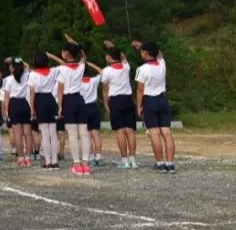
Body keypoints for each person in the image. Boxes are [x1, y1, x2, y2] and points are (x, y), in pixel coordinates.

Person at [48, 35, 92, 175]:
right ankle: (86, 164)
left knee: (73, 135)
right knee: (84, 134)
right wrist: (73, 41)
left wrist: (60, 107)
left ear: (66, 54)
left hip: (68, 101)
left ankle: (77, 165)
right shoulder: (81, 66)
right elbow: (83, 55)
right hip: (80, 100)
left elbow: (60, 90)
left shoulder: (62, 70)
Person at [133, 40, 176, 173]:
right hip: (162, 100)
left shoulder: (142, 69)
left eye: (142, 52)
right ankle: (170, 164)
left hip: (150, 101)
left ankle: (160, 163)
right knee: (167, 133)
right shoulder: (162, 64)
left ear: (146, 54)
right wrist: (143, 45)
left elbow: (140, 89)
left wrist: (139, 106)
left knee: (154, 133)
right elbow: (160, 54)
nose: (141, 53)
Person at [100, 40, 137, 169]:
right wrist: (114, 47)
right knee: (130, 131)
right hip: (128, 99)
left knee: (120, 131)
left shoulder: (106, 71)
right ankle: (133, 160)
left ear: (109, 58)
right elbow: (124, 57)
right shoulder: (126, 67)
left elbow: (105, 90)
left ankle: (124, 160)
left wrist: (106, 105)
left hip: (115, 101)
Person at [28, 51, 60, 169]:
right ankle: (55, 161)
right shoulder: (53, 71)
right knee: (53, 132)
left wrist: (32, 108)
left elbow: (32, 93)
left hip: (40, 100)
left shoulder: (33, 74)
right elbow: (63, 63)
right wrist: (51, 56)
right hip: (51, 99)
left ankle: (47, 161)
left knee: (45, 133)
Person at [1, 57, 33, 168]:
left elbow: (6, 97)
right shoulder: (27, 75)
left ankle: (20, 158)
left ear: (12, 67)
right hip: (24, 104)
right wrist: (17, 60)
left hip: (13, 105)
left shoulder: (9, 79)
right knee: (28, 134)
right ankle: (28, 158)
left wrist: (6, 111)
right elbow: (28, 66)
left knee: (18, 134)